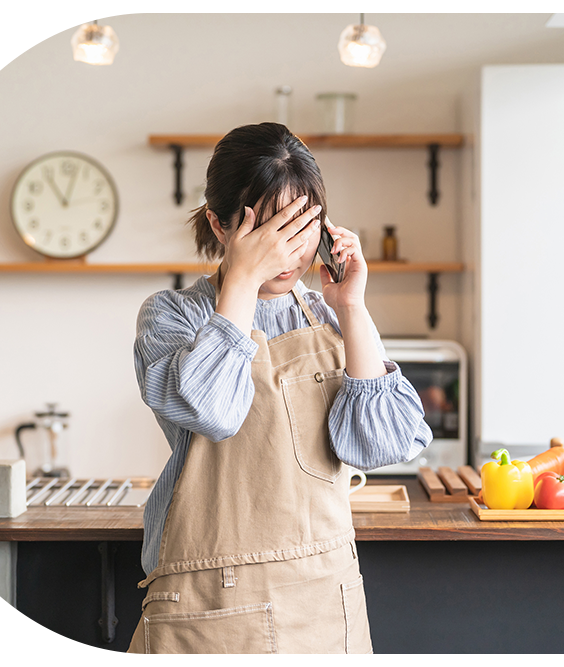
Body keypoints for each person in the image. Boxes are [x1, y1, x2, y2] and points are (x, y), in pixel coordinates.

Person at [127, 123, 432, 654]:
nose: (289, 254)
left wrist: (352, 308)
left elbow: (381, 445)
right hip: (209, 608)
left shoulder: (327, 315)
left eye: (302, 227)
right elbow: (215, 411)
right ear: (220, 226)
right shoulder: (172, 316)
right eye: (271, 232)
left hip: (324, 599)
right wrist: (242, 280)